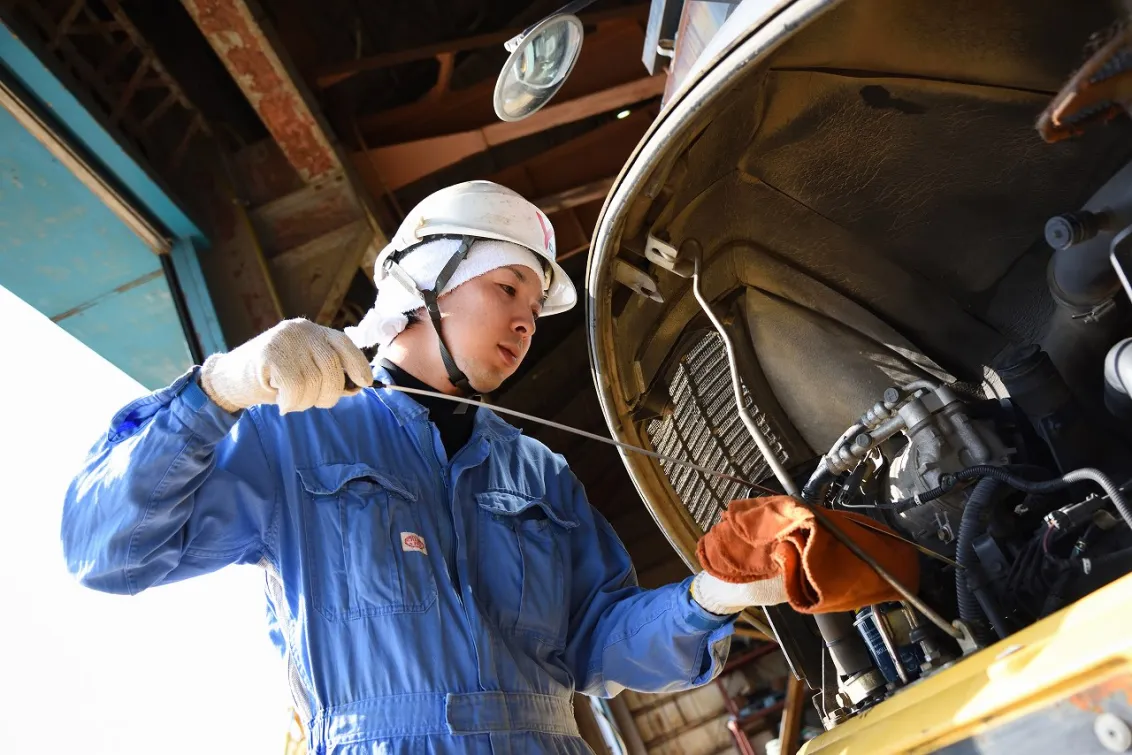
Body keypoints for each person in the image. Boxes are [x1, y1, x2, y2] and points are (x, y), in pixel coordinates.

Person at [62, 181, 771, 754]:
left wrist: (711, 597)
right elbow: (109, 550)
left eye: (535, 306)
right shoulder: (295, 433)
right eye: (508, 288)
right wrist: (220, 389)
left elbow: (600, 641)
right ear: (428, 282)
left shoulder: (541, 474)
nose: (527, 322)